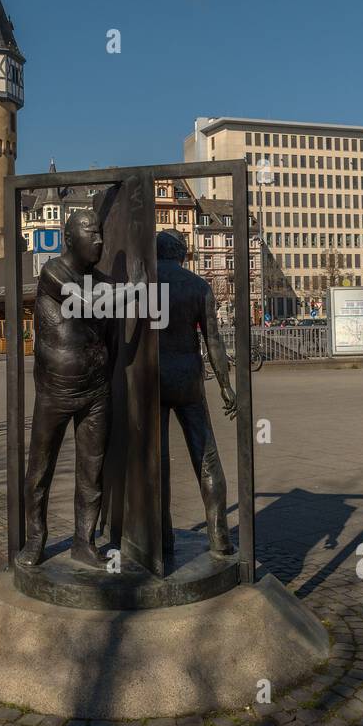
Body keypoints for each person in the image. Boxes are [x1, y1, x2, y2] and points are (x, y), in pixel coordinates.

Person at [19, 209, 113, 569]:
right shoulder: (54, 273)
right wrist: (135, 290)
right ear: (70, 239)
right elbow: (86, 305)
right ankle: (35, 539)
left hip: (96, 391)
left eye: (101, 231)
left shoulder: (103, 280)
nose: (99, 239)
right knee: (40, 469)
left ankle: (84, 542)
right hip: (55, 392)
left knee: (92, 472)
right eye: (91, 233)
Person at [155, 230, 237, 557]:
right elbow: (213, 341)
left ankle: (161, 540)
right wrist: (225, 385)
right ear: (183, 254)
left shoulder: (142, 285)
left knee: (157, 463)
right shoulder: (198, 286)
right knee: (206, 457)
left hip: (153, 376)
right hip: (187, 375)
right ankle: (219, 537)